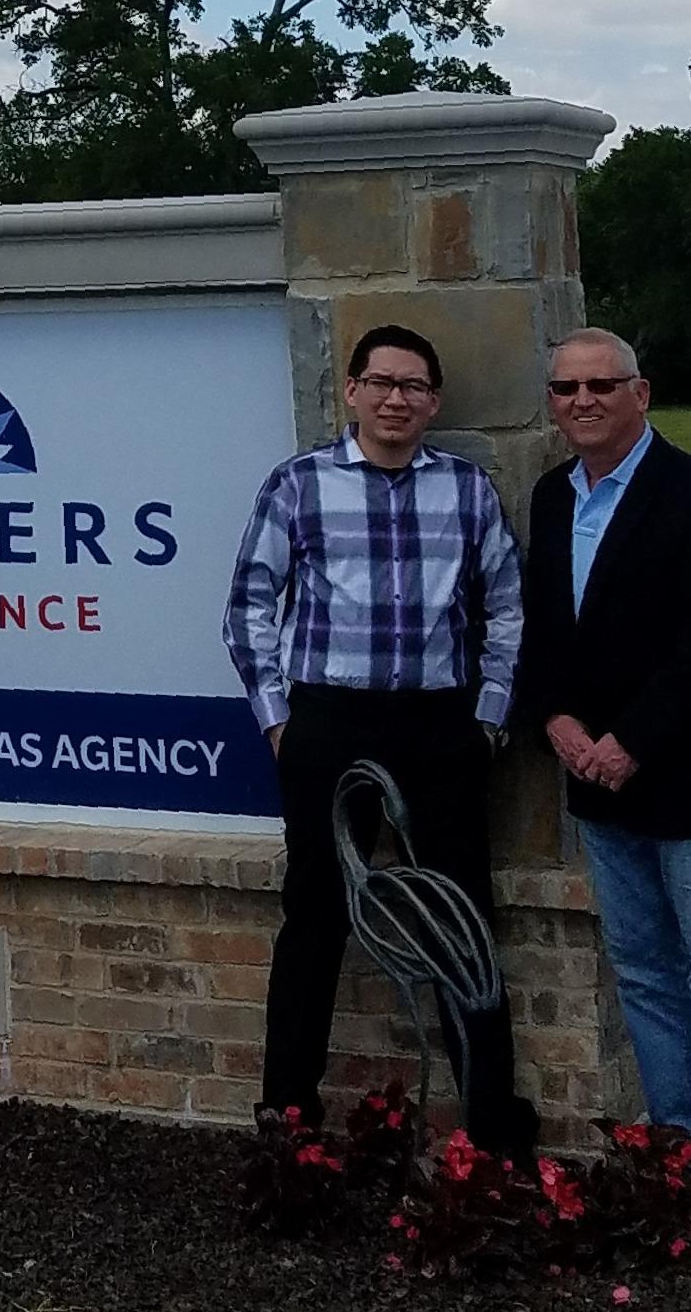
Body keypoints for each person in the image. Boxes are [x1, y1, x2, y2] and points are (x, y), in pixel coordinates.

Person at [221, 324, 540, 1159]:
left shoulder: (465, 490)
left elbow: (508, 607)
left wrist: (488, 716)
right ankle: (287, 1124)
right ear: (352, 392)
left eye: (414, 386)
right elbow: (248, 605)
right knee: (315, 916)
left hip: (439, 726)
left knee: (460, 920)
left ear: (433, 402)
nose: (396, 399)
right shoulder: (298, 484)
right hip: (328, 722)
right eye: (382, 383)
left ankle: (489, 1137)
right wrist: (277, 719)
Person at [516, 328, 691, 1205]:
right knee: (641, 971)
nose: (582, 401)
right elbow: (543, 625)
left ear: (641, 392)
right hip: (594, 778)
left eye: (601, 384)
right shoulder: (552, 497)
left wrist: (632, 740)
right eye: (565, 389)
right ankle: (675, 1142)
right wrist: (554, 719)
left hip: (690, 775)